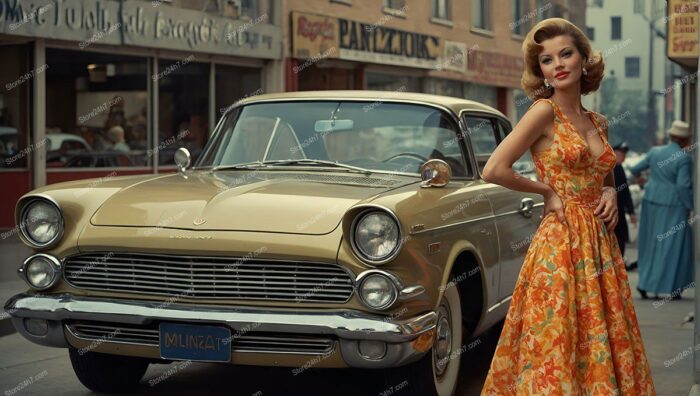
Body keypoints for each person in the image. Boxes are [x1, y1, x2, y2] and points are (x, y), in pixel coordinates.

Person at [480, 18, 654, 394]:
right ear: (539, 70)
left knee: (599, 341)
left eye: (565, 54)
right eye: (546, 59)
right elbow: (494, 169)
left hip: (601, 247)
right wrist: (546, 191)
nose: (557, 64)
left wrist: (609, 194)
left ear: (583, 60)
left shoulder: (599, 122)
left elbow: (604, 177)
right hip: (559, 243)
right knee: (557, 338)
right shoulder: (544, 112)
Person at [630, 120, 694, 300]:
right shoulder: (684, 158)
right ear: (685, 139)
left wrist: (642, 181)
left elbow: (635, 168)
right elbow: (683, 186)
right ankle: (672, 286)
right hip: (674, 204)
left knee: (650, 243)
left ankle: (645, 283)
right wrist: (690, 206)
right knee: (673, 246)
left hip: (651, 201)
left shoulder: (655, 152)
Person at [611, 141, 637, 268]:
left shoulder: (620, 168)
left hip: (619, 210)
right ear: (614, 153)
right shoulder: (608, 167)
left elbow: (626, 192)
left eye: (624, 154)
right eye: (621, 153)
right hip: (608, 211)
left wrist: (631, 211)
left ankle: (619, 264)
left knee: (621, 240)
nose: (623, 157)